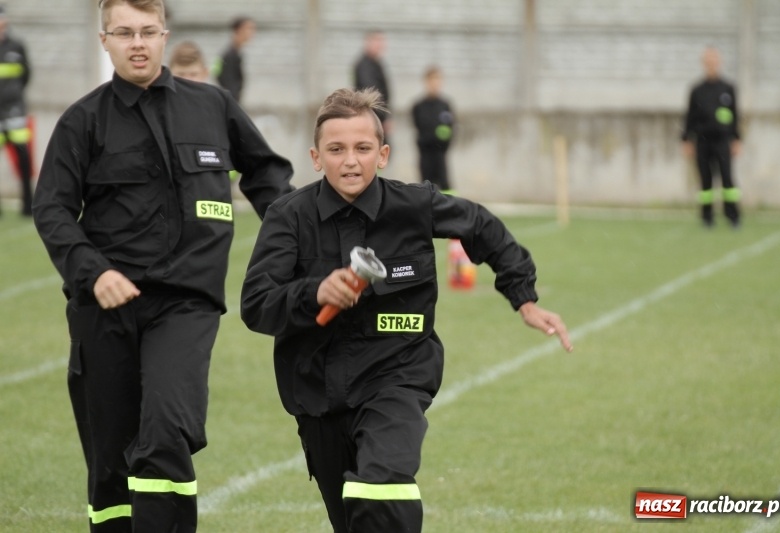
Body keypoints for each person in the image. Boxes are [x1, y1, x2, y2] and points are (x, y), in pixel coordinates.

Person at [240, 88, 572, 533]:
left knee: (383, 485)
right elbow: (256, 305)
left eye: (363, 148)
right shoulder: (288, 216)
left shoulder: (414, 205)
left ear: (384, 154)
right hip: (317, 395)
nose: (351, 160)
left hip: (397, 377)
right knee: (354, 517)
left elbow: (482, 226)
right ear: (316, 158)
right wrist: (314, 292)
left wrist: (524, 298)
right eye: (337, 150)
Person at [31, 1, 293, 531]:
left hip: (185, 304)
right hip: (104, 309)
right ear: (103, 40)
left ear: (165, 35)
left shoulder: (213, 106)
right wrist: (93, 271)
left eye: (148, 31)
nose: (137, 43)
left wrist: (303, 243)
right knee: (110, 464)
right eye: (124, 32)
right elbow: (52, 207)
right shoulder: (82, 120)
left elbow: (268, 178)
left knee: (167, 430)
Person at [681, 46, 742, 228]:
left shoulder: (728, 88)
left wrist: (737, 138)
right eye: (708, 60)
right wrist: (686, 140)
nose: (711, 63)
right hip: (702, 141)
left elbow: (735, 115)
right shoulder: (697, 90)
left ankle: (733, 217)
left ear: (719, 62)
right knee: (705, 181)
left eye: (714, 59)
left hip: (722, 141)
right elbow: (689, 116)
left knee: (727, 179)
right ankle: (707, 218)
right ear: (704, 63)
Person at [0, 5, 33, 216]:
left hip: (15, 111)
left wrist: (14, 97)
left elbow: (27, 75)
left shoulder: (17, 46)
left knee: (23, 158)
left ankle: (27, 206)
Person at [411, 65, 455, 192]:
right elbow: (418, 126)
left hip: (440, 153)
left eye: (438, 80)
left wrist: (443, 145)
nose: (435, 84)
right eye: (432, 80)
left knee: (445, 185)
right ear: (426, 82)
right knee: (426, 187)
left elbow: (450, 129)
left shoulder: (445, 105)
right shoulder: (418, 106)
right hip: (425, 153)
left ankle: (450, 210)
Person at [353, 30, 391, 143]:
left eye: (381, 41)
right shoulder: (365, 66)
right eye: (376, 41)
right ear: (367, 42)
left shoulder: (376, 63)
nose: (380, 45)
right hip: (372, 118)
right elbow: (371, 95)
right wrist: (382, 119)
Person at [213, 15, 255, 103]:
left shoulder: (236, 53)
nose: (252, 32)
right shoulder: (229, 55)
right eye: (249, 28)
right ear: (238, 30)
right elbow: (221, 77)